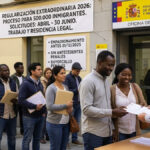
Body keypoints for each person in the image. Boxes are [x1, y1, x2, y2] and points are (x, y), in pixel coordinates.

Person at [79, 51, 127, 150]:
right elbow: (86, 109)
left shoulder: (106, 80)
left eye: (113, 65)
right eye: (109, 65)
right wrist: (112, 112)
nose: (111, 68)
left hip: (107, 132)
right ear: (100, 63)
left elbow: (105, 105)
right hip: (93, 133)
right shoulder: (88, 81)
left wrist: (112, 127)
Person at [111, 63, 147, 142]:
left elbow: (143, 103)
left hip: (135, 130)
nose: (127, 77)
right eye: (124, 74)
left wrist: (141, 107)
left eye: (129, 75)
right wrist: (113, 129)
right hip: (119, 131)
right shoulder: (112, 89)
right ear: (117, 75)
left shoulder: (135, 87)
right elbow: (109, 111)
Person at [19, 63, 46, 150]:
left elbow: (42, 98)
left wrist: (44, 112)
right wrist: (34, 106)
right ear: (32, 71)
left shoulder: (39, 83)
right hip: (29, 117)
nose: (41, 71)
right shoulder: (25, 84)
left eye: (41, 69)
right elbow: (21, 100)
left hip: (40, 116)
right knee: (27, 139)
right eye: (38, 69)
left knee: (37, 139)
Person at [46, 66, 73, 150]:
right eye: (61, 73)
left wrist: (71, 109)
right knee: (55, 147)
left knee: (63, 147)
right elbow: (49, 106)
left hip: (66, 123)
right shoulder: (51, 88)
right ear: (55, 75)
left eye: (65, 73)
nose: (64, 75)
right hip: (55, 123)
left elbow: (69, 103)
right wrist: (66, 105)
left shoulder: (66, 87)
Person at [0, 64, 18, 150]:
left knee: (12, 138)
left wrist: (16, 100)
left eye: (8, 70)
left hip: (12, 115)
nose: (7, 72)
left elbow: (17, 95)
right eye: (4, 70)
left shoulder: (13, 82)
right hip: (1, 115)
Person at [65, 62, 82, 145]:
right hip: (71, 104)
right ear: (72, 70)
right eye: (77, 71)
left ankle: (74, 139)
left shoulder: (79, 78)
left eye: (79, 71)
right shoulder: (67, 78)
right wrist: (77, 90)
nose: (78, 72)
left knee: (76, 122)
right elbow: (67, 91)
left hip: (79, 103)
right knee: (69, 122)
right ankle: (66, 140)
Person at [11, 62, 25, 135]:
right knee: (14, 116)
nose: (23, 69)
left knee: (23, 116)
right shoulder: (11, 78)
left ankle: (23, 131)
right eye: (21, 68)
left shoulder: (24, 78)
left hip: (23, 101)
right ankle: (13, 131)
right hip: (15, 100)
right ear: (16, 69)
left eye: (23, 68)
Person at [40, 67, 52, 144]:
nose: (49, 74)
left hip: (50, 103)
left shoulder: (52, 81)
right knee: (43, 122)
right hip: (43, 103)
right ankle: (41, 137)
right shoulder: (42, 81)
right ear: (45, 74)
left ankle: (48, 135)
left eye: (50, 73)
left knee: (48, 121)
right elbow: (43, 92)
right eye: (47, 73)